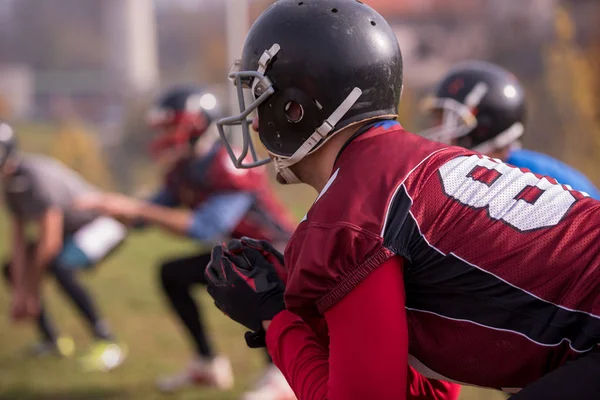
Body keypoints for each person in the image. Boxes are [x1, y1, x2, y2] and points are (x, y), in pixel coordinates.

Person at [203, 1, 600, 399]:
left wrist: (274, 317)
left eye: (259, 96)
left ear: (296, 107)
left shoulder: (352, 212)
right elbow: (434, 393)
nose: (254, 120)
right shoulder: (421, 166)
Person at [76, 86, 297, 400]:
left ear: (198, 125)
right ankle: (208, 364)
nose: (166, 135)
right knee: (172, 273)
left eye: (172, 126)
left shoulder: (227, 162)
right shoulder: (182, 170)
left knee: (254, 278)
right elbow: (145, 216)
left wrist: (138, 209)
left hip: (279, 253)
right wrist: (107, 208)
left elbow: (206, 226)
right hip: (240, 254)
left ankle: (282, 377)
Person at [0, 122, 127, 371]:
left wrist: (30, 292)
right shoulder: (7, 182)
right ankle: (52, 341)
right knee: (10, 268)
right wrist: (19, 293)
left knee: (60, 266)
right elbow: (18, 237)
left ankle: (108, 342)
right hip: (71, 230)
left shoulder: (35, 177)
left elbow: (50, 242)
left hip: (101, 224)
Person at [420, 60, 600, 199]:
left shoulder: (542, 181)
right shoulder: (476, 176)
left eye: (445, 118)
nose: (437, 128)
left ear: (482, 127)